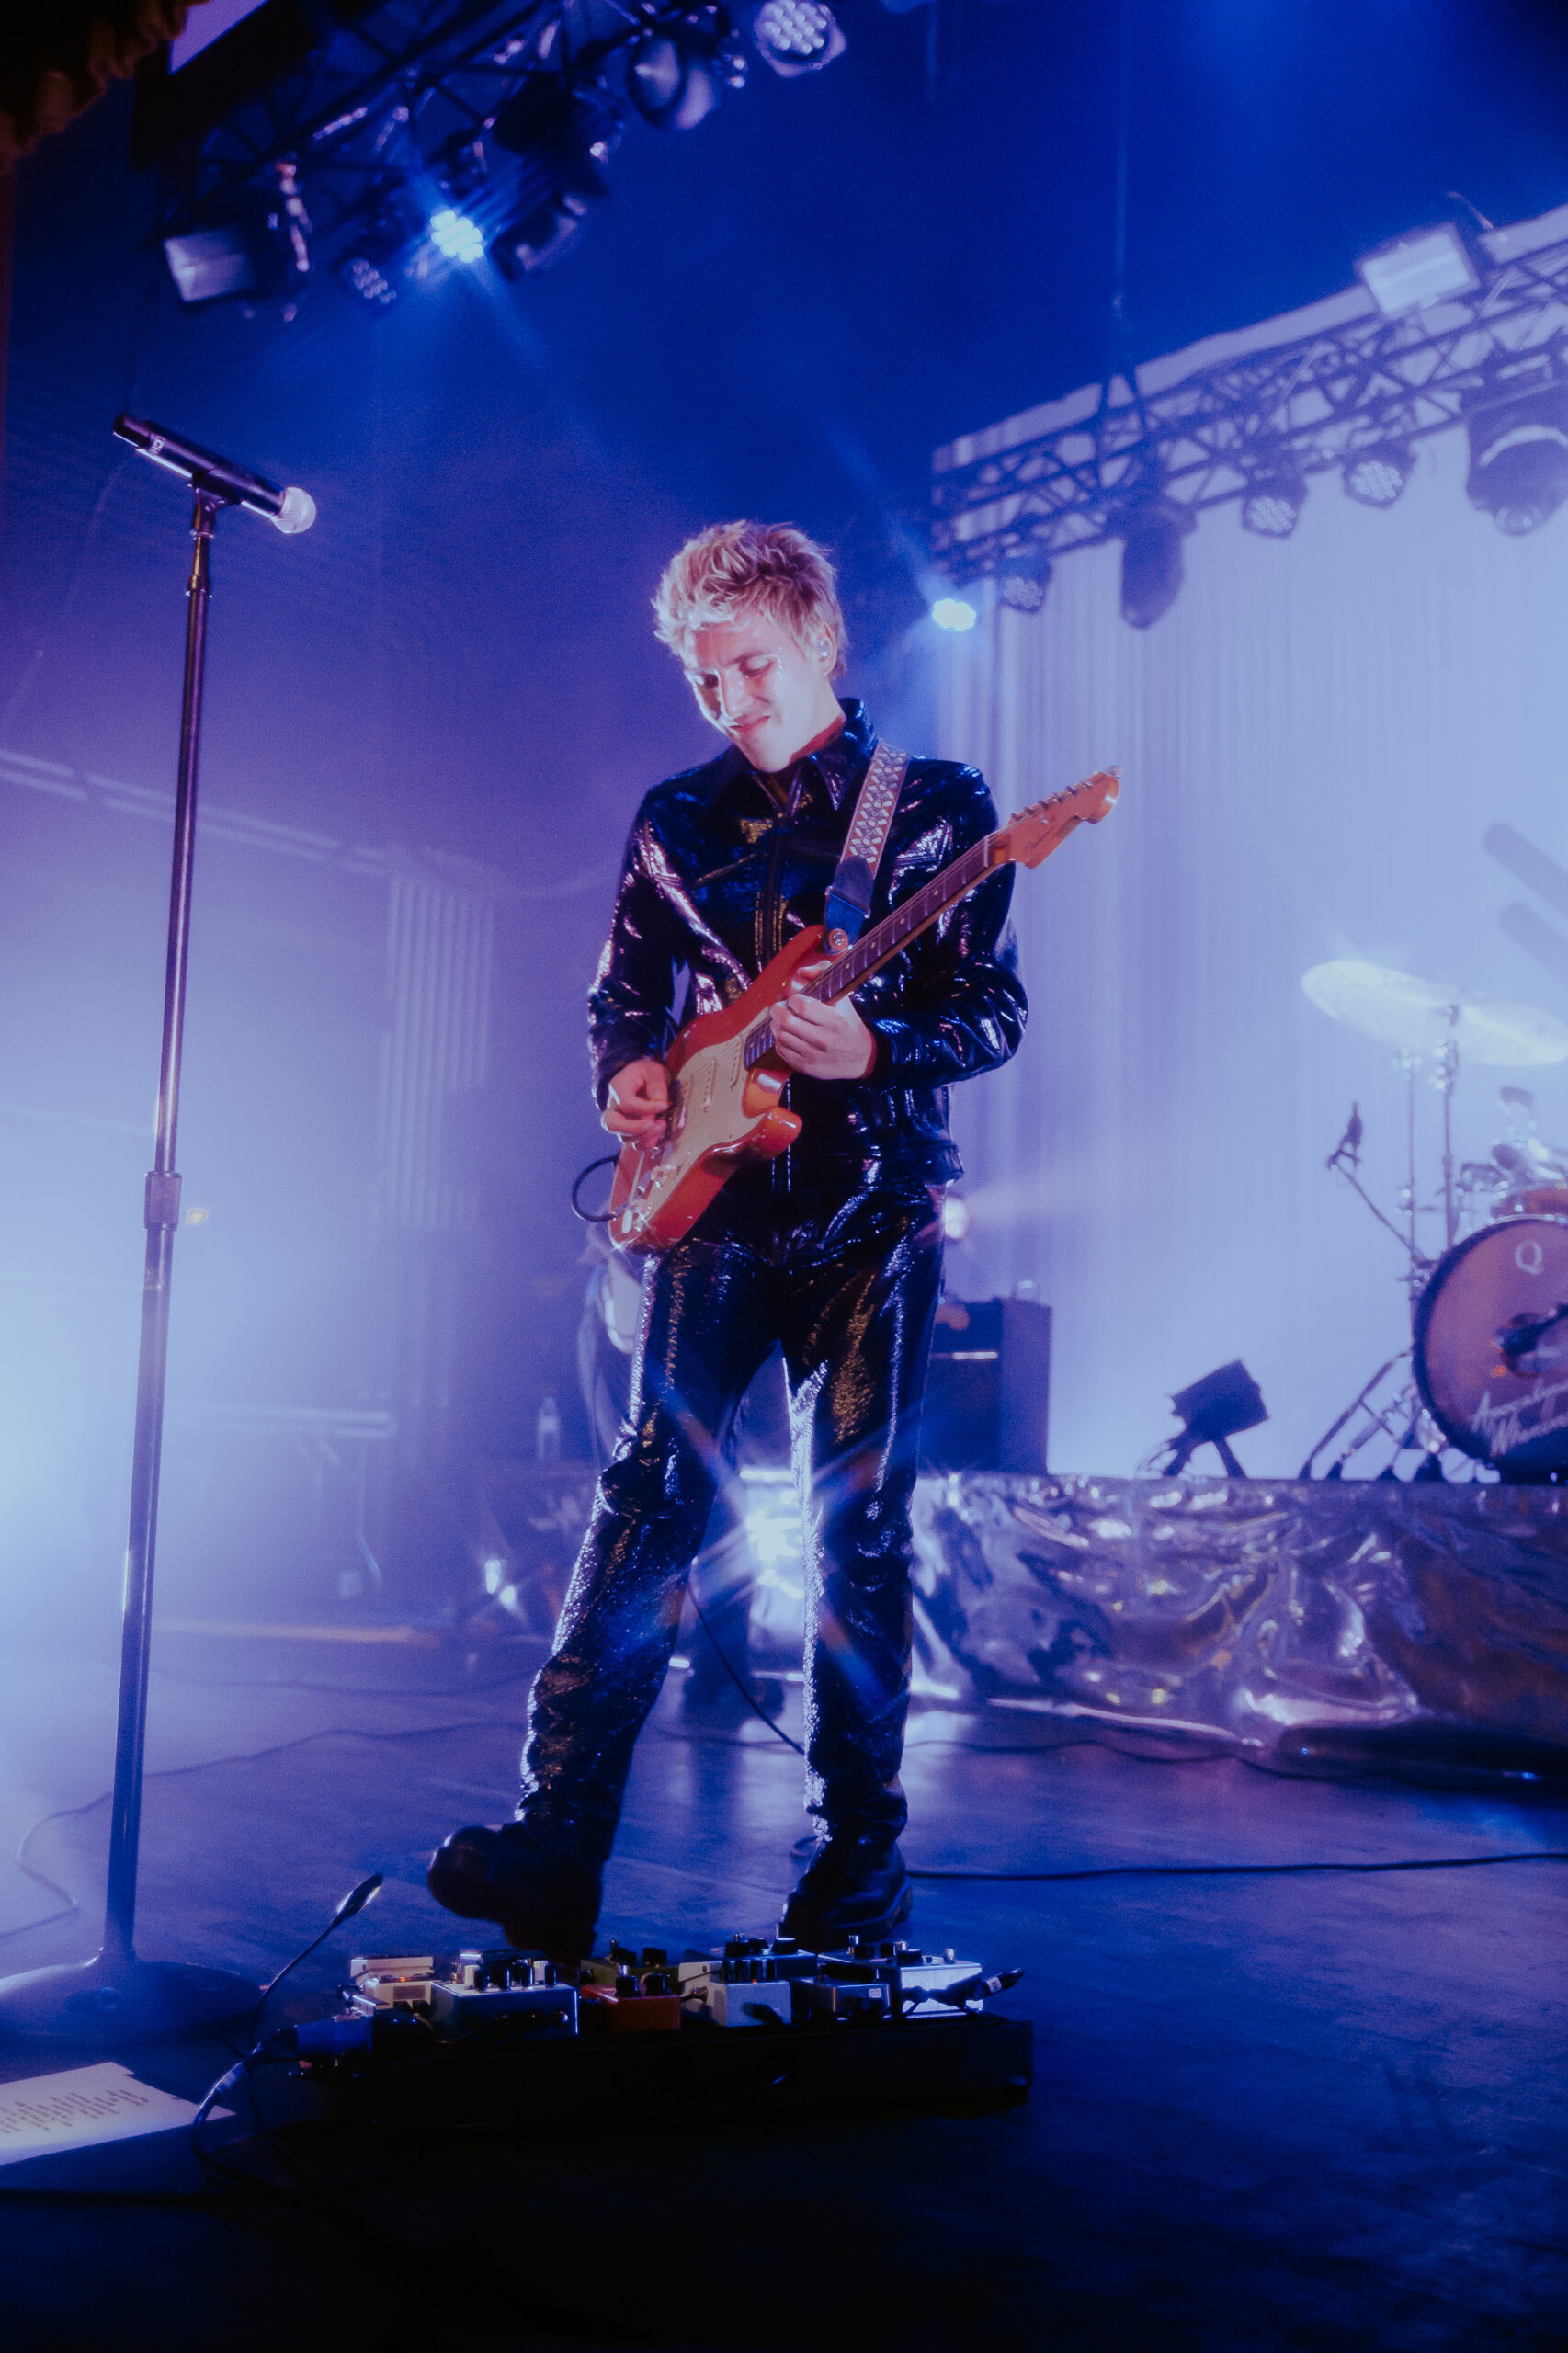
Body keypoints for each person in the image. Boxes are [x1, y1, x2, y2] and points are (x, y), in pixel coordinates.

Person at [428, 521, 1027, 1957]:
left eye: (751, 667)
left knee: (854, 1532)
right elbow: (621, 994)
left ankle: (856, 1867)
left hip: (871, 1208)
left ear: (819, 639)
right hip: (713, 1207)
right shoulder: (672, 818)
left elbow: (991, 1012)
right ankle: (554, 1844)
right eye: (705, 681)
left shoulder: (934, 807)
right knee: (645, 1501)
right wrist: (625, 1074)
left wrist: (873, 1047)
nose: (730, 701)